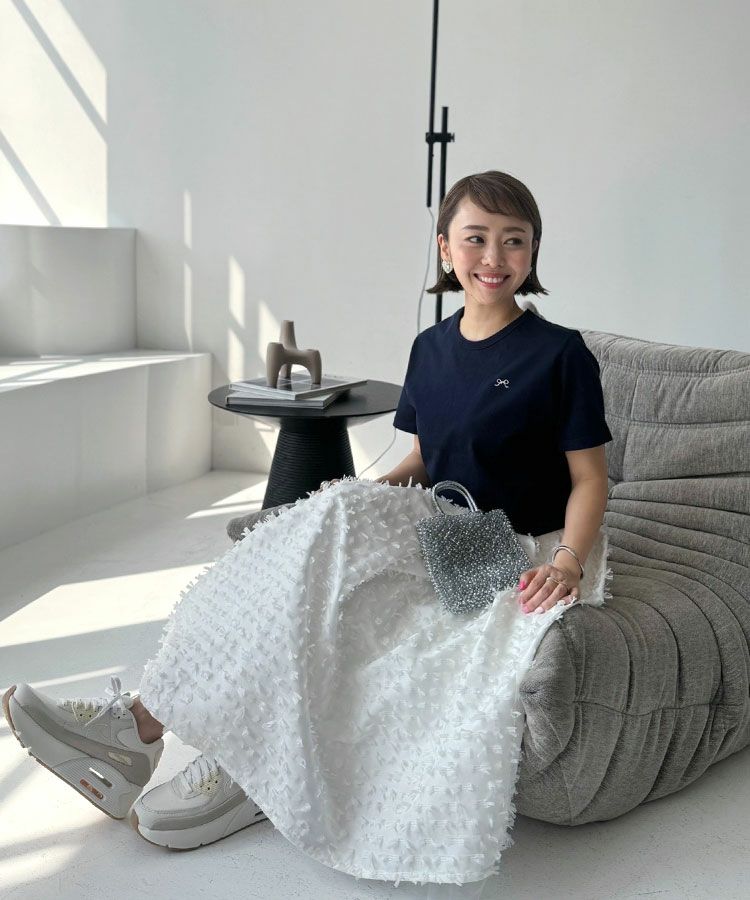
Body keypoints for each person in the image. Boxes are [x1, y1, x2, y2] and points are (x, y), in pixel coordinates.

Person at [3, 170, 612, 884]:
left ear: (533, 252)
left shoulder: (560, 354)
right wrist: (352, 504)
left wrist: (567, 561)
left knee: (342, 586)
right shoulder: (430, 348)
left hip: (512, 547)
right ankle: (147, 724)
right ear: (445, 248)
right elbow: (422, 459)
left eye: (514, 240)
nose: (494, 257)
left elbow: (589, 479)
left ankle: (173, 743)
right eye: (476, 238)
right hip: (436, 528)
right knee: (298, 559)